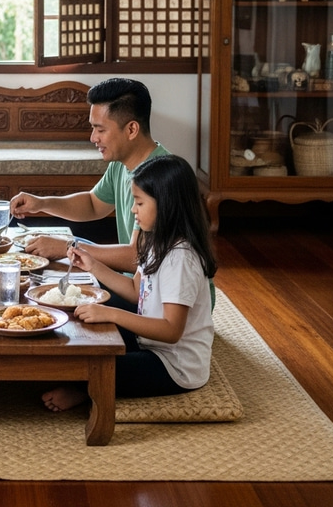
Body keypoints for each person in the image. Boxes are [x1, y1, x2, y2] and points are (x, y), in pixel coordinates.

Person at [42, 154, 218, 411]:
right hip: (147, 341)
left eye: (139, 202)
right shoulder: (156, 240)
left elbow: (171, 331)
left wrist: (111, 313)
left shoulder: (181, 258)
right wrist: (93, 265)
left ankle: (84, 391)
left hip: (174, 365)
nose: (133, 209)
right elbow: (137, 292)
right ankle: (87, 383)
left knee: (91, 366)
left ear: (166, 205)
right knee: (79, 333)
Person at [11, 78, 169, 274]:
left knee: (54, 276)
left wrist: (67, 248)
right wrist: (41, 204)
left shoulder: (161, 177)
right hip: (133, 281)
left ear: (131, 129)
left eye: (100, 129)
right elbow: (93, 204)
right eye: (93, 128)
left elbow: (136, 257)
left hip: (154, 295)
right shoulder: (120, 163)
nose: (93, 138)